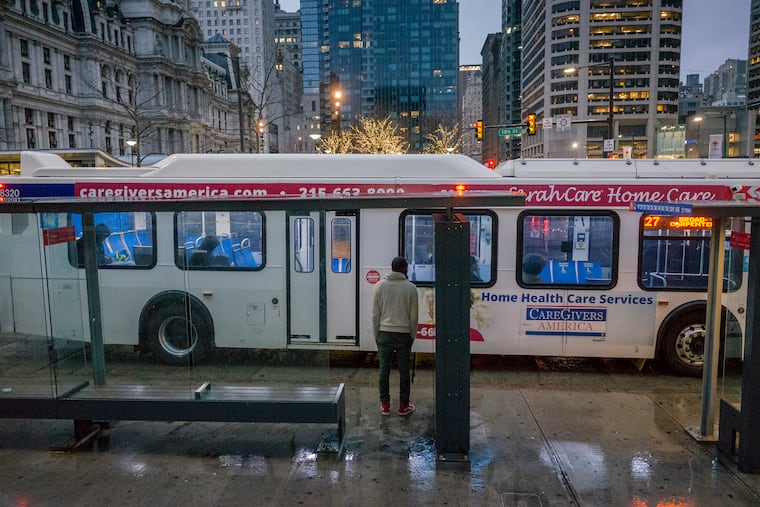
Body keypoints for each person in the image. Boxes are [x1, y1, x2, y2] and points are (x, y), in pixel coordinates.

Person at [372, 256, 419, 416]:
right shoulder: (411, 288)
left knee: (383, 369)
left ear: (391, 267)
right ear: (405, 268)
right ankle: (403, 406)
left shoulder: (379, 286)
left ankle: (385, 405)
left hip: (384, 334)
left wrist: (376, 335)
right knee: (404, 371)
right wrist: (412, 335)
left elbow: (375, 315)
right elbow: (414, 316)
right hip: (404, 334)